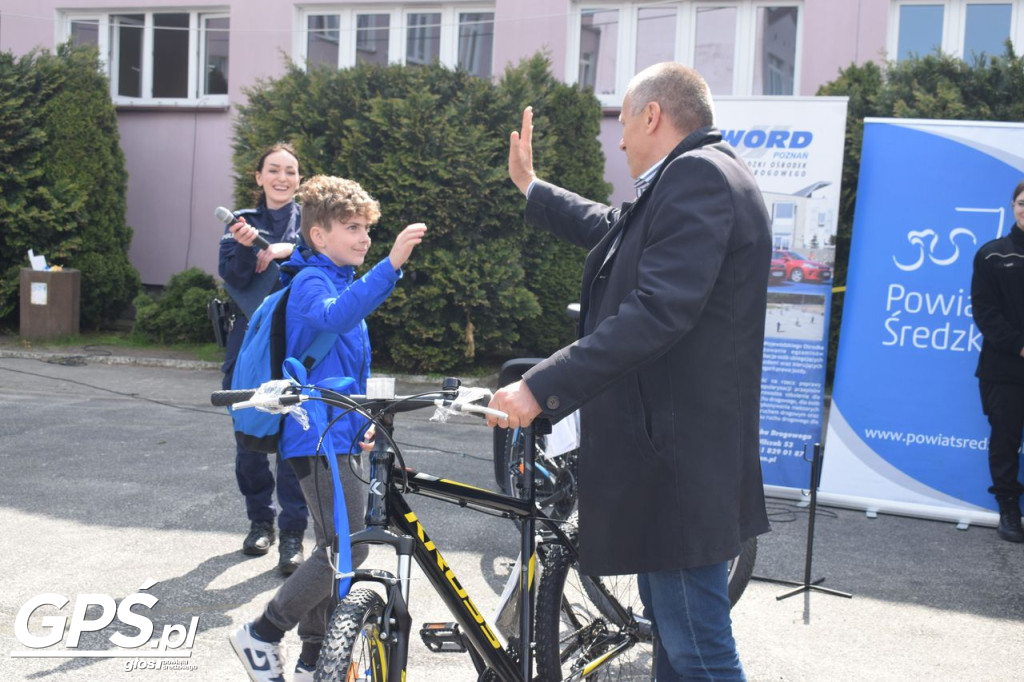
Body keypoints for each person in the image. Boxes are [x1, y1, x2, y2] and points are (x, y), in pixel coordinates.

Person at [488, 63, 771, 680]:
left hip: (677, 466)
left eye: (621, 120)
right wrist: (534, 188)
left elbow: (657, 312)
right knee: (677, 644)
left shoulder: (696, 176)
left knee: (699, 651)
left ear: (652, 115)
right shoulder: (699, 175)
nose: (618, 139)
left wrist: (540, 385)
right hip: (675, 460)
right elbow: (616, 232)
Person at [229, 175, 427, 682]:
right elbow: (336, 320)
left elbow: (343, 370)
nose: (364, 237)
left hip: (335, 431)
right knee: (349, 546)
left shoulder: (337, 279)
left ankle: (313, 659)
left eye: (367, 228)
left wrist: (363, 421)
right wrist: (391, 266)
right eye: (352, 228)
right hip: (311, 436)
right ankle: (263, 632)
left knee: (330, 549)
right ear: (319, 236)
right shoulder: (311, 283)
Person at [219, 143, 310, 574]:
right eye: (273, 170)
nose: (281, 177)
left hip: (296, 341)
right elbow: (234, 277)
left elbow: (320, 258)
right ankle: (261, 522)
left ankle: (293, 533)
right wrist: (244, 248)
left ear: (299, 178)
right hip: (250, 342)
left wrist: (282, 251)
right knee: (250, 441)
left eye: (290, 171)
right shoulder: (241, 223)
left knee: (295, 439)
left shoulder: (313, 222)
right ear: (259, 177)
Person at [970, 179, 1024, 543]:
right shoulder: (992, 254)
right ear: (1012, 207)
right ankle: (1009, 510)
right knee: (1004, 440)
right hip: (1004, 370)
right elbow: (984, 312)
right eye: (1022, 202)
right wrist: (1020, 345)